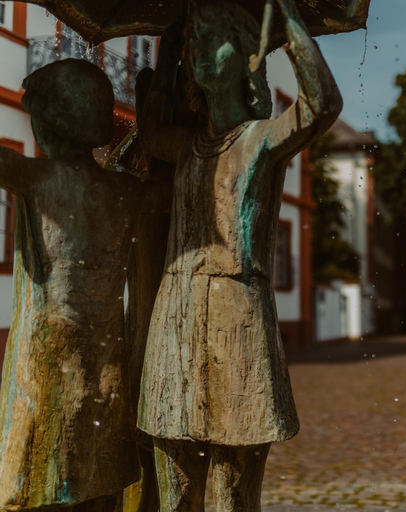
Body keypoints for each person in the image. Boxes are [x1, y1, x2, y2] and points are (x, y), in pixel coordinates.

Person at [137, 1, 343, 510]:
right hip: (176, 315)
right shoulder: (186, 147)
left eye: (213, 41)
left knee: (234, 491)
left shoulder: (262, 139)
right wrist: (168, 47)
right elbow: (147, 133)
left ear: (251, 59)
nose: (199, 53)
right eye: (195, 45)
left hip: (239, 317)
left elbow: (322, 106)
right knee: (175, 492)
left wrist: (290, 20)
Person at [0, 60, 147, 510]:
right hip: (105, 359)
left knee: (44, 479)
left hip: (47, 360)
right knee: (100, 478)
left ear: (51, 127)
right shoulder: (127, 191)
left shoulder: (37, 178)